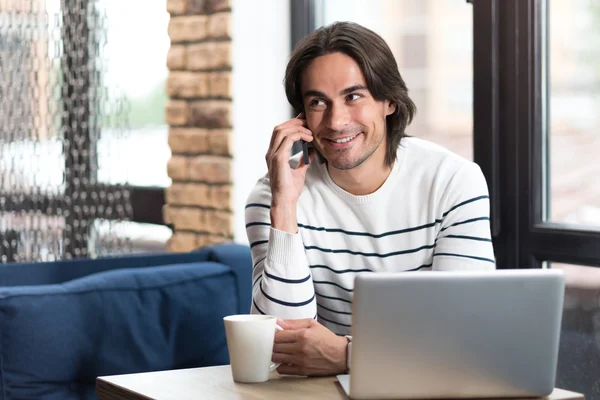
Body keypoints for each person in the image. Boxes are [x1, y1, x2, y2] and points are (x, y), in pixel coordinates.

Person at [245, 22, 495, 377]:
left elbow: (467, 337)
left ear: (389, 101)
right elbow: (283, 346)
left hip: (430, 386)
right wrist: (284, 208)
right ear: (301, 116)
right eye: (318, 102)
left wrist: (349, 355)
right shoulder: (273, 196)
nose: (336, 121)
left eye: (354, 96)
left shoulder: (453, 182)